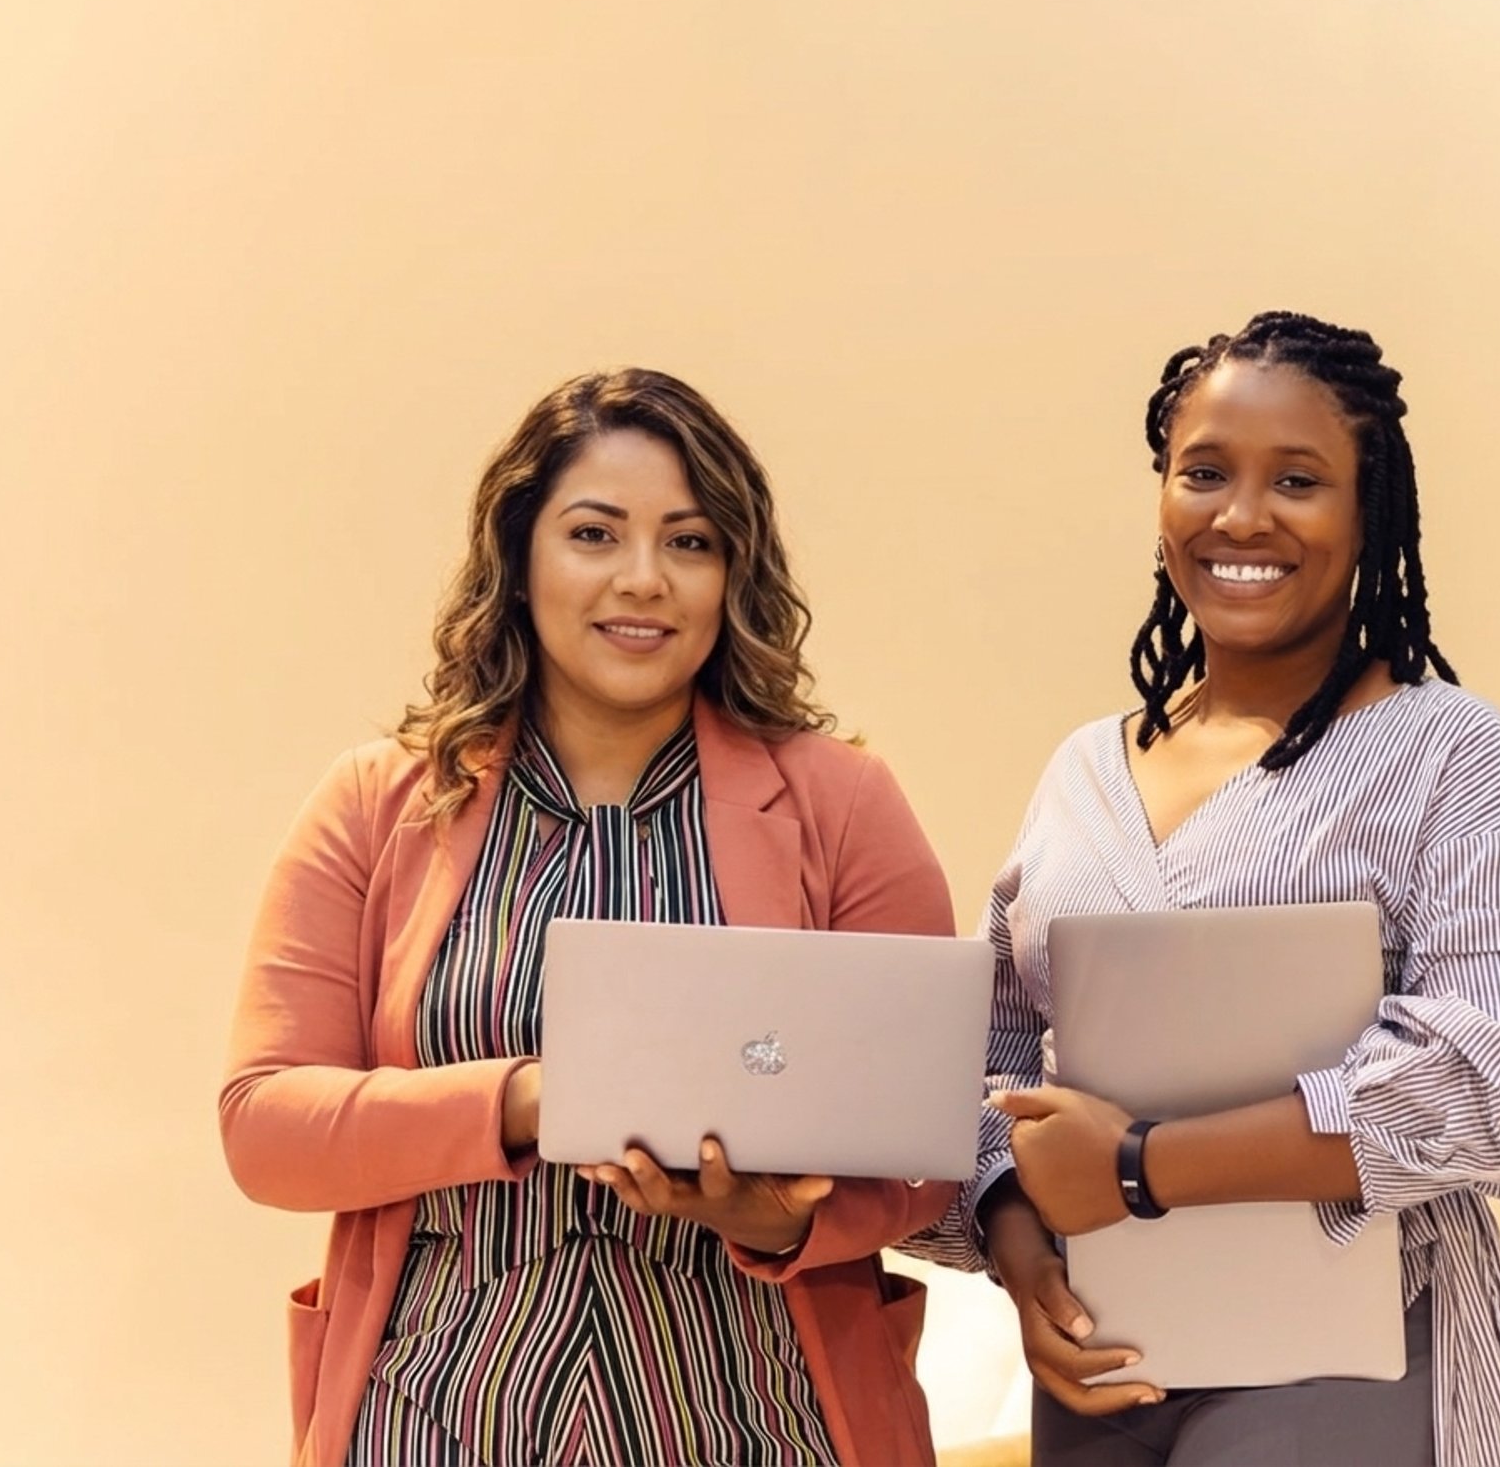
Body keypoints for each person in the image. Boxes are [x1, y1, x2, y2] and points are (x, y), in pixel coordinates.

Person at [221, 368, 956, 1467]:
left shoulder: (840, 800)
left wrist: (779, 1221)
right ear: (520, 561)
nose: (644, 580)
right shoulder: (378, 801)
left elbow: (927, 1141)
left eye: (691, 542)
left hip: (758, 1415)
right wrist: (526, 1100)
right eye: (595, 534)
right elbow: (266, 1124)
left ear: (733, 573)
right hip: (433, 1412)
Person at [905, 312, 1500, 1467]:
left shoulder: (1451, 754)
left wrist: (1141, 1167)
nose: (1242, 517)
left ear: (1368, 514)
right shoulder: (1083, 771)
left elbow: (1495, 1079)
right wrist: (1025, 1266)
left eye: (1298, 480)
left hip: (1352, 1358)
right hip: (1105, 1366)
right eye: (1206, 473)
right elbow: (997, 1060)